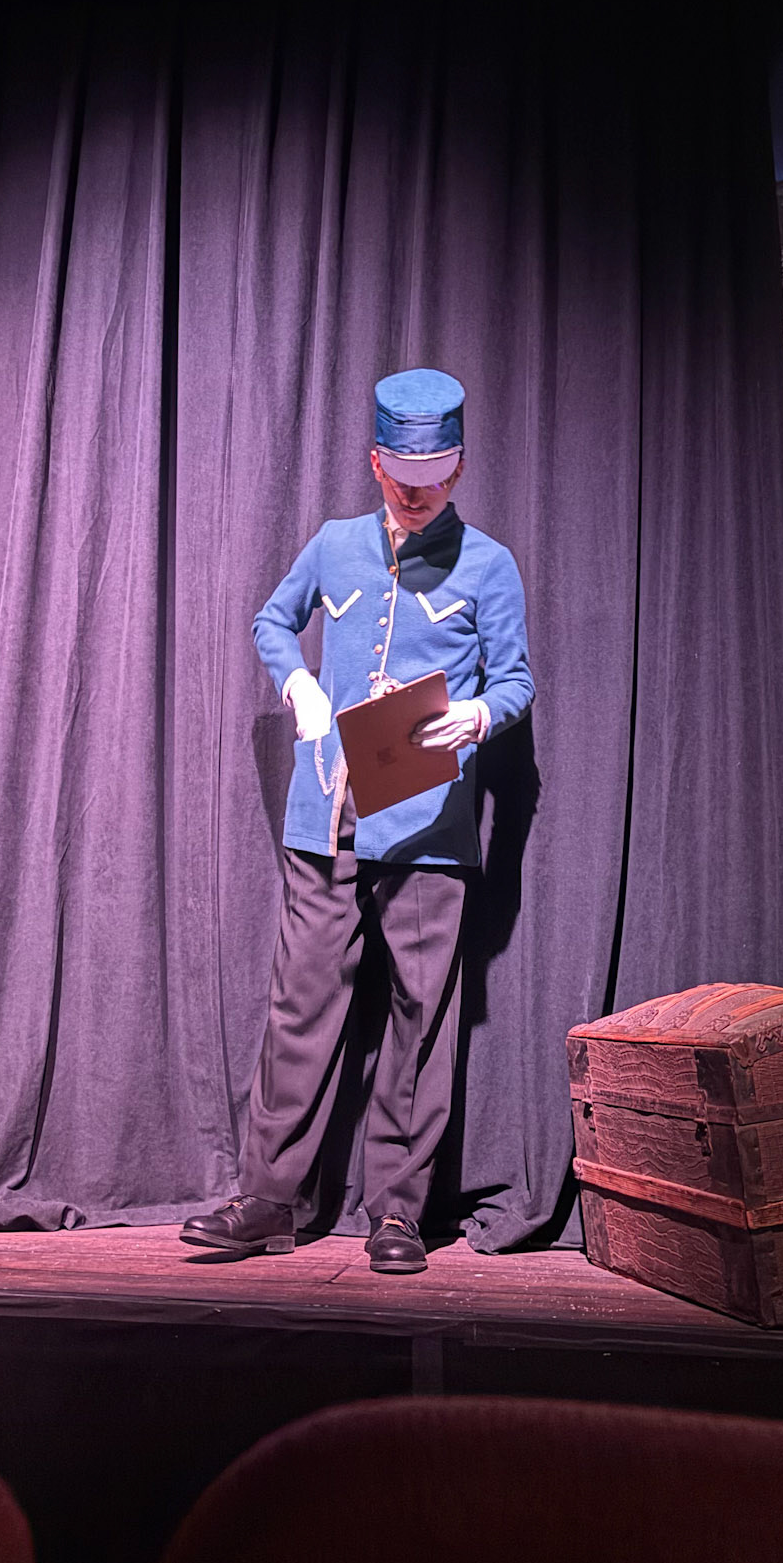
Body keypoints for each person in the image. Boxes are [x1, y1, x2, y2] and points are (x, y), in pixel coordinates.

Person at [181, 369, 534, 1273]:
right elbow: (273, 621)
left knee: (421, 1016)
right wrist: (296, 680)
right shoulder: (336, 545)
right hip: (327, 817)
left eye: (434, 478)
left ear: (458, 469)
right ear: (377, 463)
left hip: (428, 830)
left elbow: (516, 680)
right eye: (403, 476)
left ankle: (398, 1214)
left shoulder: (488, 564)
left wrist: (481, 714)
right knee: (301, 1006)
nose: (417, 494)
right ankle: (268, 1199)